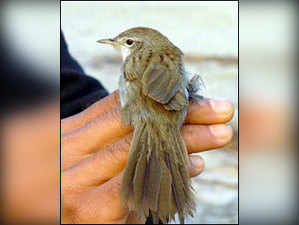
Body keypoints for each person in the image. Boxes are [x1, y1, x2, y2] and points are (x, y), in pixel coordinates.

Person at [61, 32, 234, 224]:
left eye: (128, 42)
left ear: (142, 46)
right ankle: (159, 211)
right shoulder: (171, 56)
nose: (117, 45)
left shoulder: (133, 62)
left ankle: (155, 210)